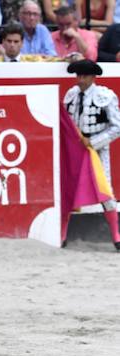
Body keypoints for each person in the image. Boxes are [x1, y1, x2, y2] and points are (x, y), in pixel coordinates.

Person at [63, 59, 120, 250]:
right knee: (69, 189)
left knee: (105, 191)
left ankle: (116, 236)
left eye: (84, 76)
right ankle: (63, 235)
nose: (80, 80)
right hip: (76, 150)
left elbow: (117, 127)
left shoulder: (105, 96)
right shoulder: (70, 95)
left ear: (93, 77)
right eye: (78, 75)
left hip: (97, 150)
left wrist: (93, 142)